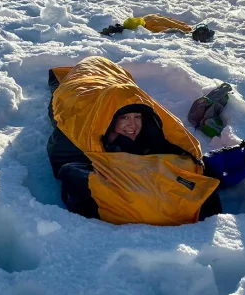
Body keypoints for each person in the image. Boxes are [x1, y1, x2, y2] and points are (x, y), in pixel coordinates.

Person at [47, 56, 221, 226]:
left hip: (111, 75)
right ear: (109, 119)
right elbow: (63, 162)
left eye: (137, 117)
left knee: (125, 93)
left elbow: (176, 145)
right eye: (124, 118)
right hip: (80, 89)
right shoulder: (81, 131)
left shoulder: (149, 130)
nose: (132, 125)